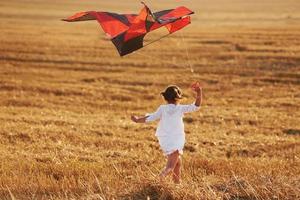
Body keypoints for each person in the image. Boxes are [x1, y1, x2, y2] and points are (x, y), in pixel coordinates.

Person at [131, 82, 202, 183]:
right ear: (178, 97)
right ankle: (155, 183)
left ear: (165, 98)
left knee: (178, 164)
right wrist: (199, 92)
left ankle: (177, 185)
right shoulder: (180, 108)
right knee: (169, 167)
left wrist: (138, 120)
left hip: (165, 140)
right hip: (176, 141)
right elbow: (196, 106)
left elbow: (150, 117)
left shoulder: (162, 109)